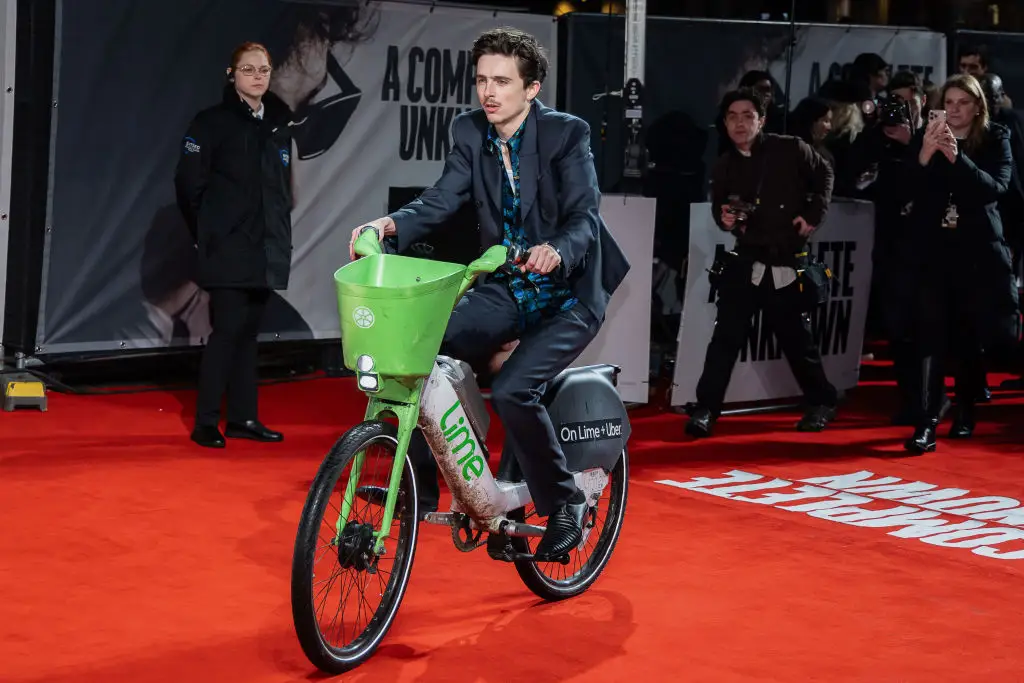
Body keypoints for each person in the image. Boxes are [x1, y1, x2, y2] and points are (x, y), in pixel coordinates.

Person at [347, 28, 630, 561]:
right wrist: (390, 224)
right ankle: (421, 485)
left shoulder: (566, 134)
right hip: (507, 285)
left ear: (532, 88)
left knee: (513, 389)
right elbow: (440, 200)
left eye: (502, 81)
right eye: (481, 80)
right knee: (424, 349)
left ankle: (565, 502)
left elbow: (583, 217)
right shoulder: (470, 132)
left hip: (567, 292)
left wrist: (556, 250)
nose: (488, 92)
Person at [685, 88, 838, 438]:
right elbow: (720, 208)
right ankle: (706, 409)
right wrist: (724, 218)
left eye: (748, 115)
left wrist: (814, 214)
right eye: (732, 117)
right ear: (724, 123)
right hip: (747, 259)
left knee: (797, 339)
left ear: (762, 119)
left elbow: (825, 173)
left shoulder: (791, 148)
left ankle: (821, 401)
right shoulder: (724, 165)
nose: (740, 123)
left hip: (786, 258)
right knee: (724, 339)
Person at [174, 42, 294, 448]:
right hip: (226, 246)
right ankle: (206, 421)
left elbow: (280, 192)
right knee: (226, 331)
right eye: (248, 69)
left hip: (263, 249)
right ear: (232, 75)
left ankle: (243, 417)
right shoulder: (210, 123)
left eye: (264, 69)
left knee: (248, 335)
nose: (258, 76)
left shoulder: (277, 124)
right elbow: (188, 185)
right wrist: (208, 232)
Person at [901, 74, 1018, 453]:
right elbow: (903, 190)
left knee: (969, 335)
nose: (953, 110)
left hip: (977, 253)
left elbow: (994, 189)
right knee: (931, 334)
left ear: (978, 106)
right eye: (948, 102)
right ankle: (927, 422)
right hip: (933, 250)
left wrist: (956, 156)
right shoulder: (927, 135)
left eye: (962, 103)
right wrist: (923, 155)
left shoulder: (996, 137)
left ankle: (966, 407)